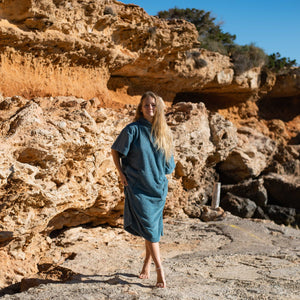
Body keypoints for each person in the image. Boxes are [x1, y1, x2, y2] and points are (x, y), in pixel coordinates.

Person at [111, 91, 175, 288]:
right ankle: (160, 271)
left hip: (157, 188)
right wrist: (121, 174)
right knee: (150, 229)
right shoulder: (132, 130)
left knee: (151, 230)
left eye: (154, 105)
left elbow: (169, 166)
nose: (150, 108)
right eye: (146, 105)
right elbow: (115, 150)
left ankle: (147, 264)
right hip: (137, 187)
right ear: (140, 107)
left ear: (159, 108)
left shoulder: (163, 132)